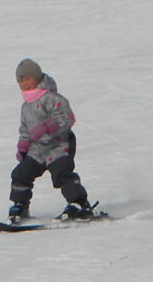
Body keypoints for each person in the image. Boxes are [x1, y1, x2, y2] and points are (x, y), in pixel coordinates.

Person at [8, 58, 93, 223]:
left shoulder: (52, 98)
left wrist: (48, 127)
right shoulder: (26, 106)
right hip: (38, 149)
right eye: (20, 80)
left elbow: (67, 118)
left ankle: (80, 204)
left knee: (62, 174)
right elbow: (25, 129)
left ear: (37, 78)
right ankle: (20, 205)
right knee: (21, 173)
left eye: (27, 78)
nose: (24, 83)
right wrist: (23, 146)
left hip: (59, 145)